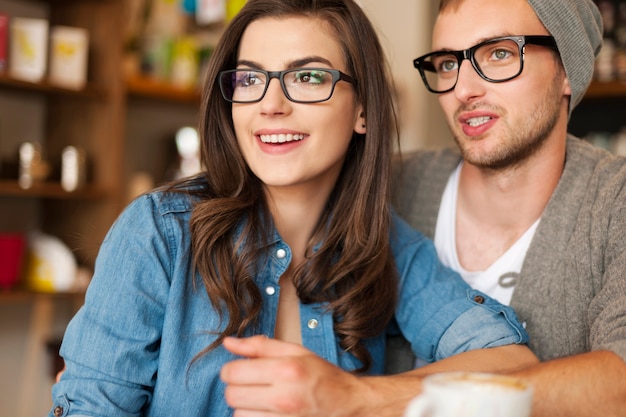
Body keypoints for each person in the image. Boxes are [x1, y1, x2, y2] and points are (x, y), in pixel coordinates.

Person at [47, 1, 536, 416]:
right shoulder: (159, 233)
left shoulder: (383, 246)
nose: (271, 104)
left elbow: (510, 363)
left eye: (307, 76)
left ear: (363, 108)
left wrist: (353, 397)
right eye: (250, 79)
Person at [220, 0, 626, 416]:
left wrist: (359, 398)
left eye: (500, 54)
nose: (464, 89)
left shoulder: (615, 202)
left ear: (566, 71)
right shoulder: (376, 187)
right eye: (448, 63)